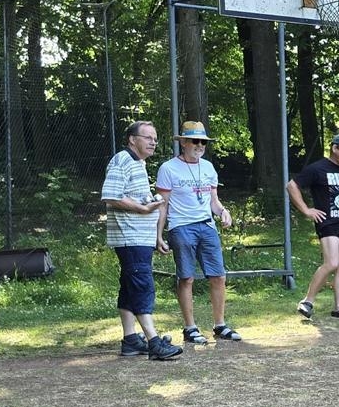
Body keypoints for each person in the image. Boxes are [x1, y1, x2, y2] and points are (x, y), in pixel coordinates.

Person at [100, 120, 182, 360]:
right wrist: (144, 209)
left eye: (155, 138)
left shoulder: (138, 163)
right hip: (130, 237)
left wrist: (154, 232)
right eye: (147, 137)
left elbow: (128, 196)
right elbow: (111, 196)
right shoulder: (123, 160)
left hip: (139, 238)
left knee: (129, 287)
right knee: (142, 286)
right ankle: (154, 342)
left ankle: (131, 340)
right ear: (132, 139)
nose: (153, 142)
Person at [156, 121, 242, 345]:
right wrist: (159, 235)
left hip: (207, 226)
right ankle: (190, 328)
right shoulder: (168, 168)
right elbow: (162, 205)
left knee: (219, 276)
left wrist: (223, 212)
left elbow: (213, 200)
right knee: (186, 277)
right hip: (181, 226)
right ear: (183, 142)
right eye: (195, 141)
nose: (200, 145)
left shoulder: (208, 167)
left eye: (203, 142)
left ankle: (220, 325)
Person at [286, 133, 339, 319]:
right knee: (332, 263)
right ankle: (307, 301)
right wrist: (306, 210)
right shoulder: (317, 168)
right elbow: (291, 186)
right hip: (328, 223)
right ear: (335, 148)